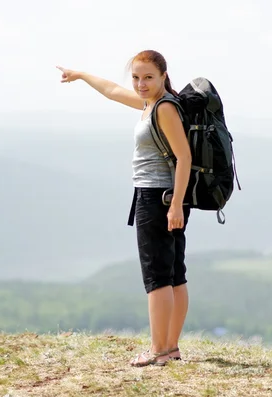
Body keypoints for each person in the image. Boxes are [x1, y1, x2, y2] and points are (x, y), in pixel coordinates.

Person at [57, 50, 192, 367]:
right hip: (167, 198)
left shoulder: (163, 109)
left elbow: (184, 157)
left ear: (162, 76)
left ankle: (159, 348)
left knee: (157, 276)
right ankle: (170, 347)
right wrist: (81, 74)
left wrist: (175, 206)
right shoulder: (153, 104)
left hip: (157, 198)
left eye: (148, 77)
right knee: (173, 274)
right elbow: (112, 92)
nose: (140, 84)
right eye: (135, 77)